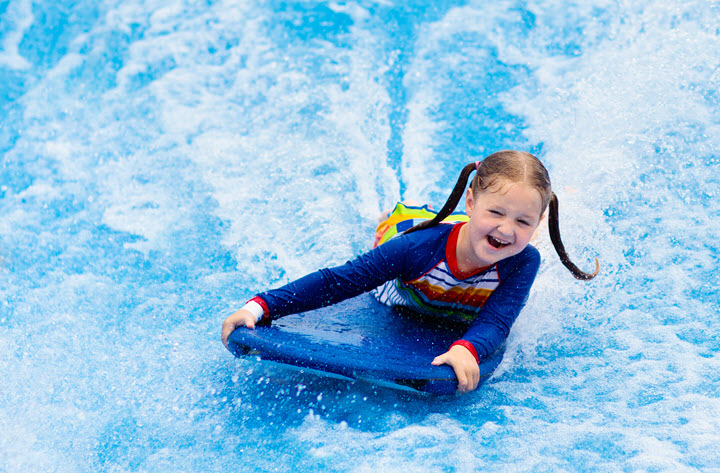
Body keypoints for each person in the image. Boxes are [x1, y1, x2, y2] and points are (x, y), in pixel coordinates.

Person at [221, 150, 598, 392]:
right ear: (470, 200)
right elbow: (338, 282)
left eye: (523, 221)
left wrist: (467, 349)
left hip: (451, 254)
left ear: (539, 223)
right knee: (396, 229)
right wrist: (259, 307)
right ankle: (401, 213)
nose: (506, 229)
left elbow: (498, 323)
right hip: (411, 253)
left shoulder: (524, 261)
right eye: (496, 212)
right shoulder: (418, 250)